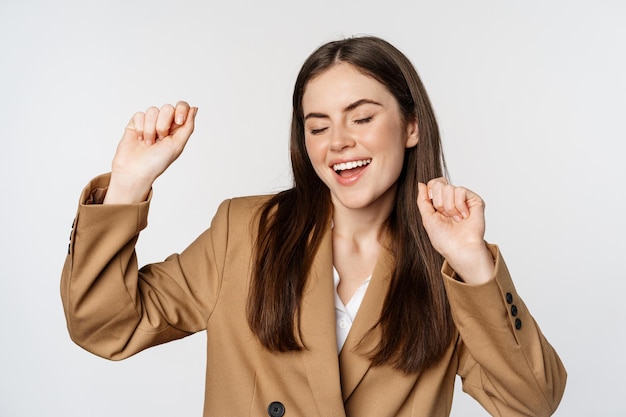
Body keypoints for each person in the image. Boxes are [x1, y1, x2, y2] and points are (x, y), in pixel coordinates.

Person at [61, 36, 566, 417]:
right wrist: (127, 186)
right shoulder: (248, 230)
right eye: (318, 126)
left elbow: (531, 401)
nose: (337, 142)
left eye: (361, 118)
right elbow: (107, 326)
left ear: (411, 126)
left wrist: (473, 263)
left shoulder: (450, 269)